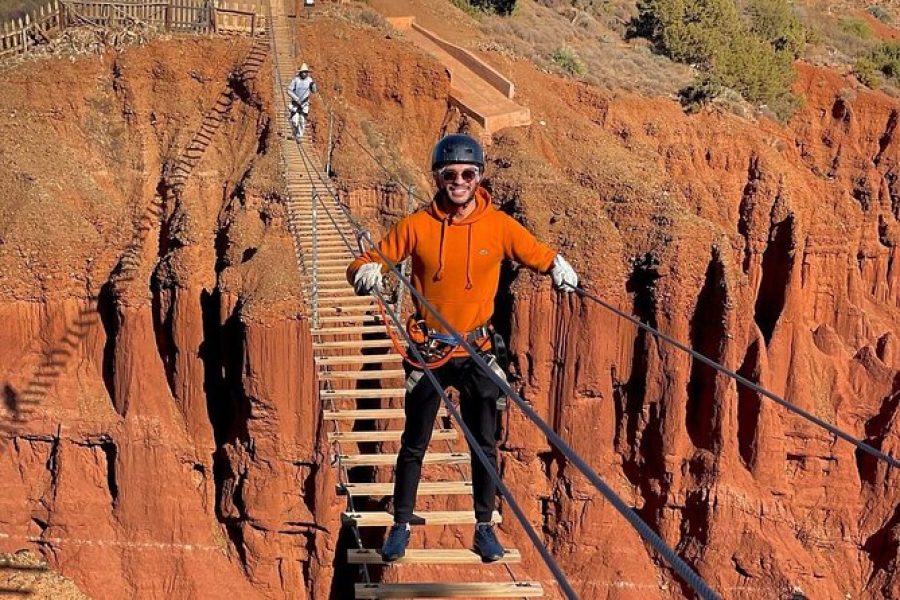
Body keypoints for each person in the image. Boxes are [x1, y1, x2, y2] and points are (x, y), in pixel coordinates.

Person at [346, 134, 579, 562]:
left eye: (467, 174)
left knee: (484, 444)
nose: (459, 181)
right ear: (438, 177)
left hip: (476, 350)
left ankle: (483, 528)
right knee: (414, 442)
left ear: (479, 177)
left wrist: (556, 265)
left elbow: (534, 252)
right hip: (428, 351)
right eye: (450, 174)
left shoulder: (500, 226)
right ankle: (401, 523)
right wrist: (364, 273)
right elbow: (367, 260)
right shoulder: (416, 226)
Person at [287, 63, 317, 141]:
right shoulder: (295, 80)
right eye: (303, 72)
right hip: (295, 103)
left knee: (302, 120)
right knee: (294, 121)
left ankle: (299, 136)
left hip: (304, 103)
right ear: (300, 72)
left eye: (305, 72)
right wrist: (296, 99)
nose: (304, 73)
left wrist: (313, 86)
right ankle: (295, 132)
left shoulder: (310, 80)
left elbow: (314, 91)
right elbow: (289, 90)